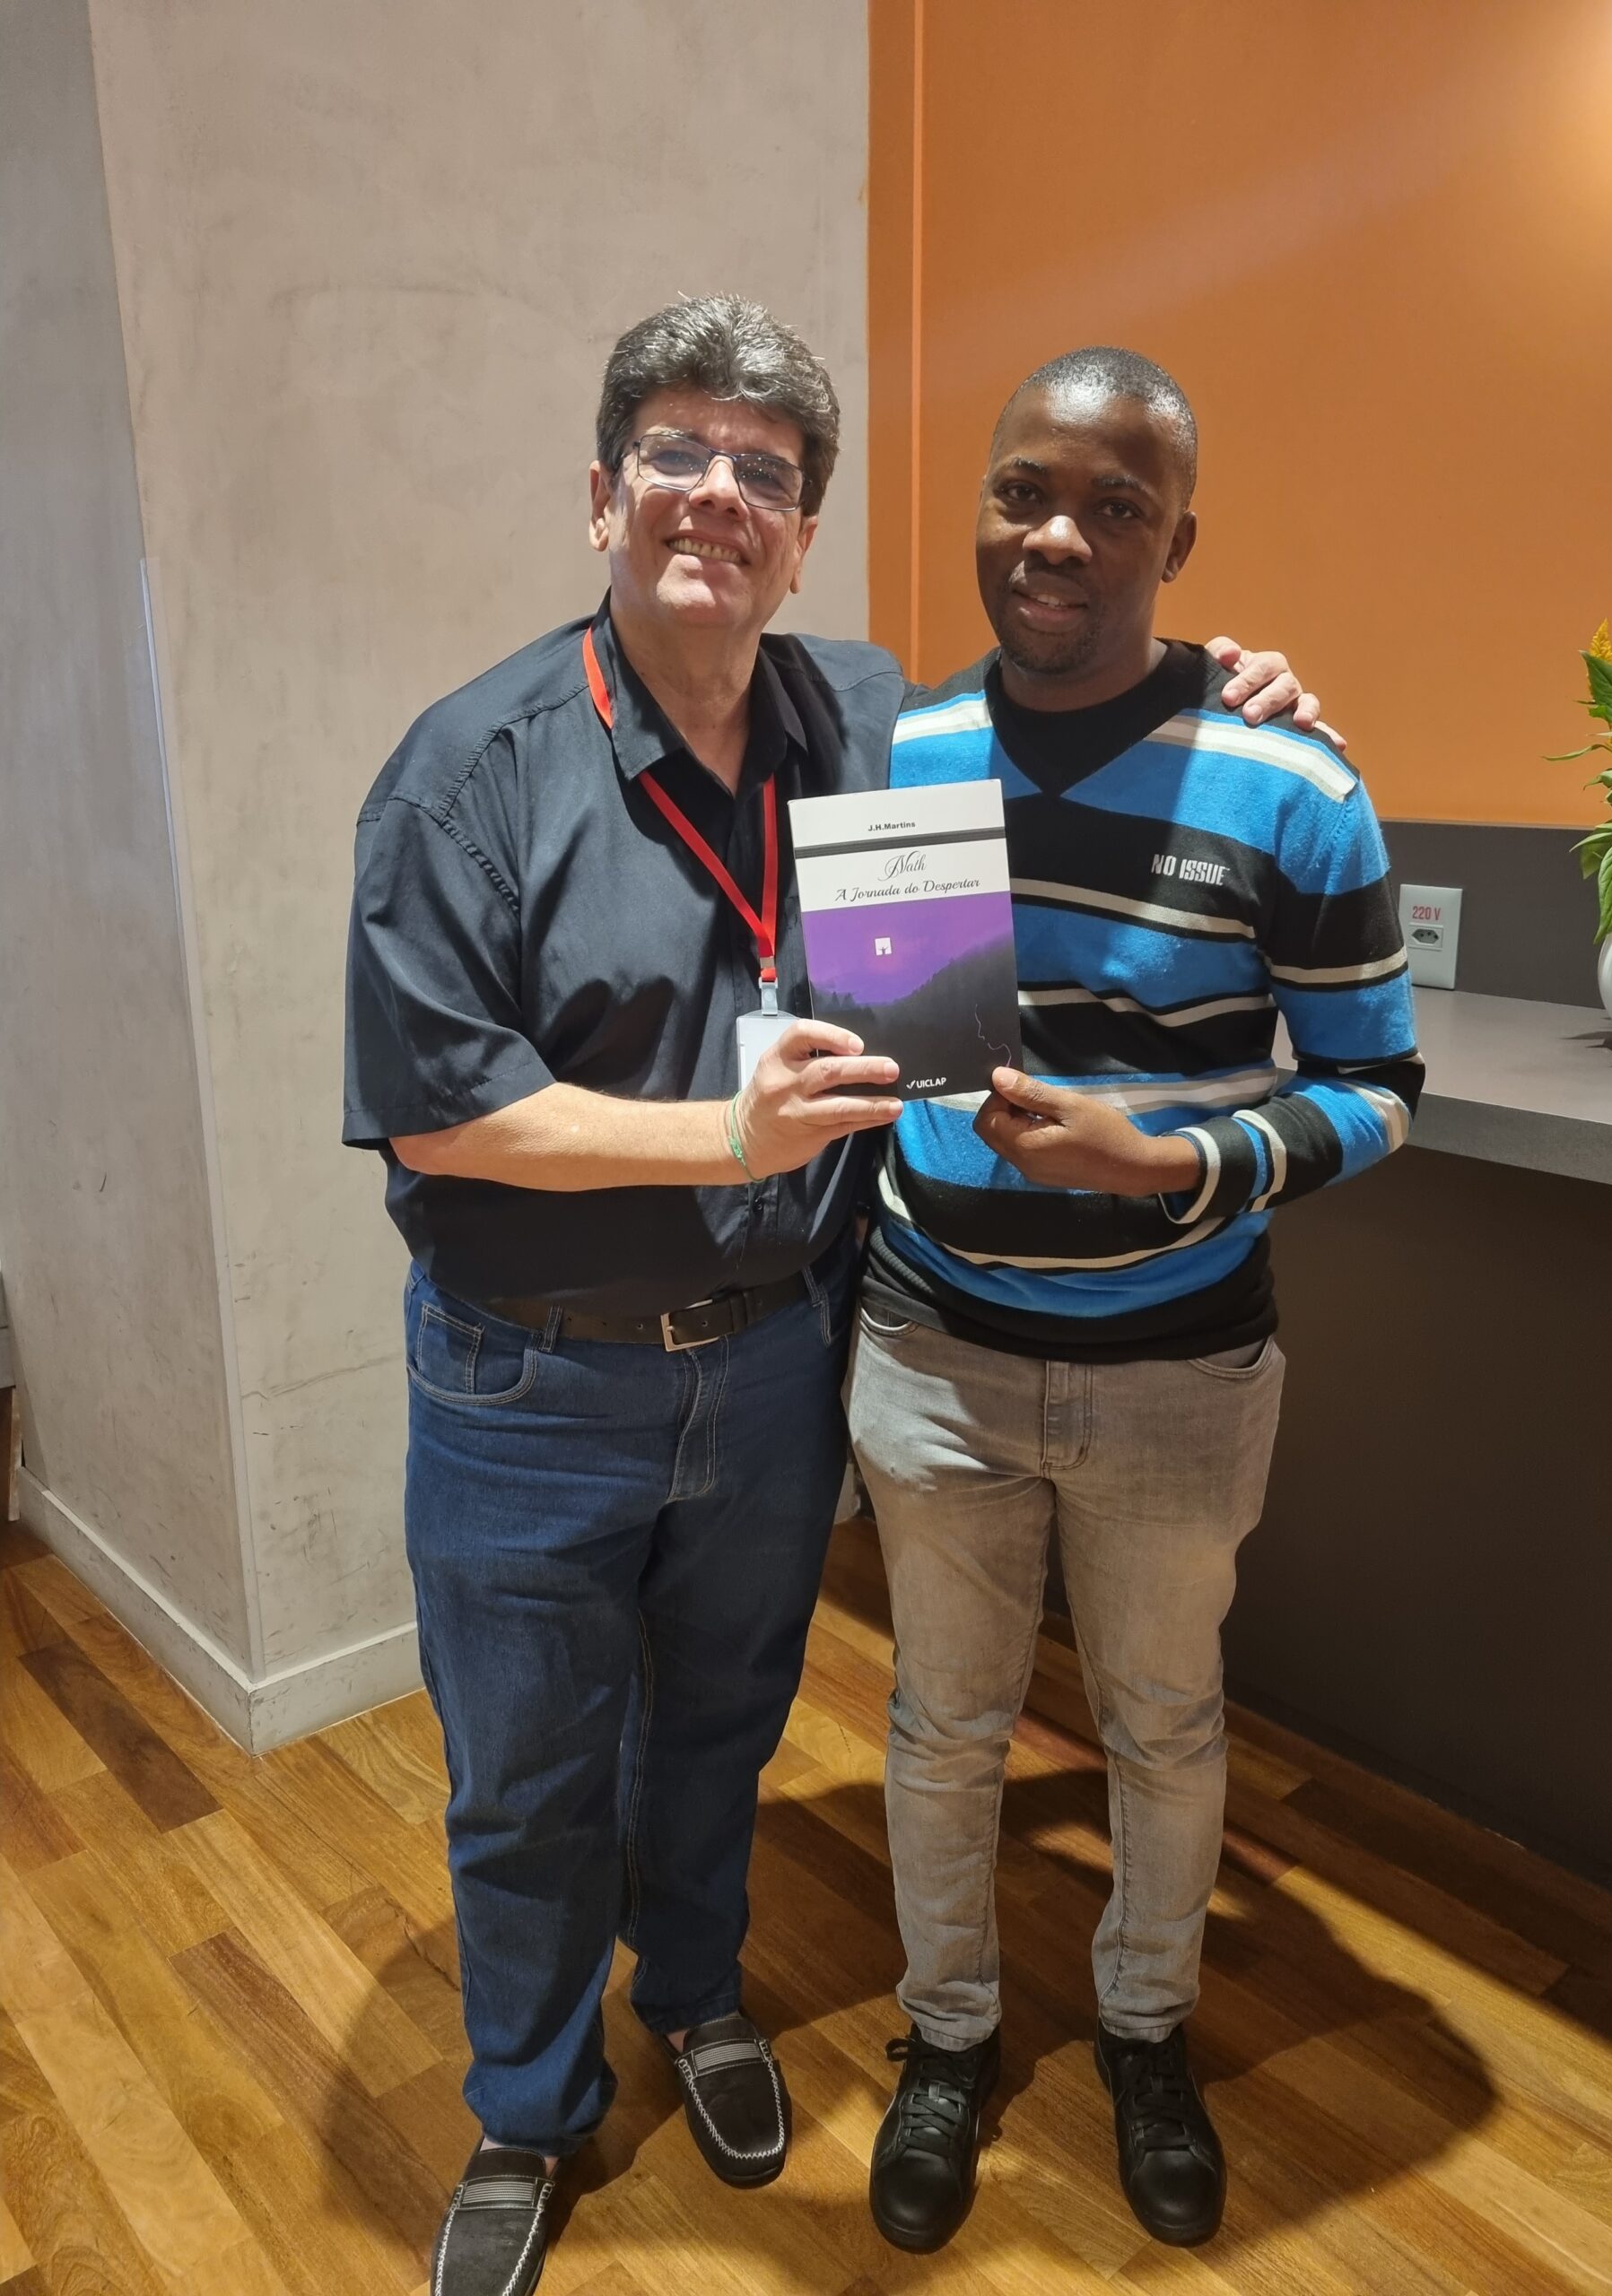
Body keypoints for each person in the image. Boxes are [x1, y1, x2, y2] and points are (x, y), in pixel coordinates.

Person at [343, 297, 1321, 2296]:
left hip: (785, 1359)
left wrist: (1227, 687)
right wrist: (722, 1136)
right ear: (602, 496)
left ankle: (697, 1993)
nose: (719, 494)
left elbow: (1071, 688)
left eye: (767, 472)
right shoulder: (467, 772)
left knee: (725, 1724)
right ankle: (528, 2103)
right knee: (527, 1774)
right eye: (678, 454)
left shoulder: (869, 725)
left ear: (802, 534)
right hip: (533, 1378)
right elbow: (440, 1112)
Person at [847, 347, 1424, 2256]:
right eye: (1025, 491)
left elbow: (1379, 1088)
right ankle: (947, 2037)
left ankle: (1146, 2030)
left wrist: (1180, 1166)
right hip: (931, 1348)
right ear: (982, 502)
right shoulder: (906, 757)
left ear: (1180, 538)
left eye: (1115, 505)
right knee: (941, 1726)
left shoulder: (1290, 779)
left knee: (1165, 1728)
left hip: (1178, 1368)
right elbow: (893, 1040)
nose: (1058, 538)